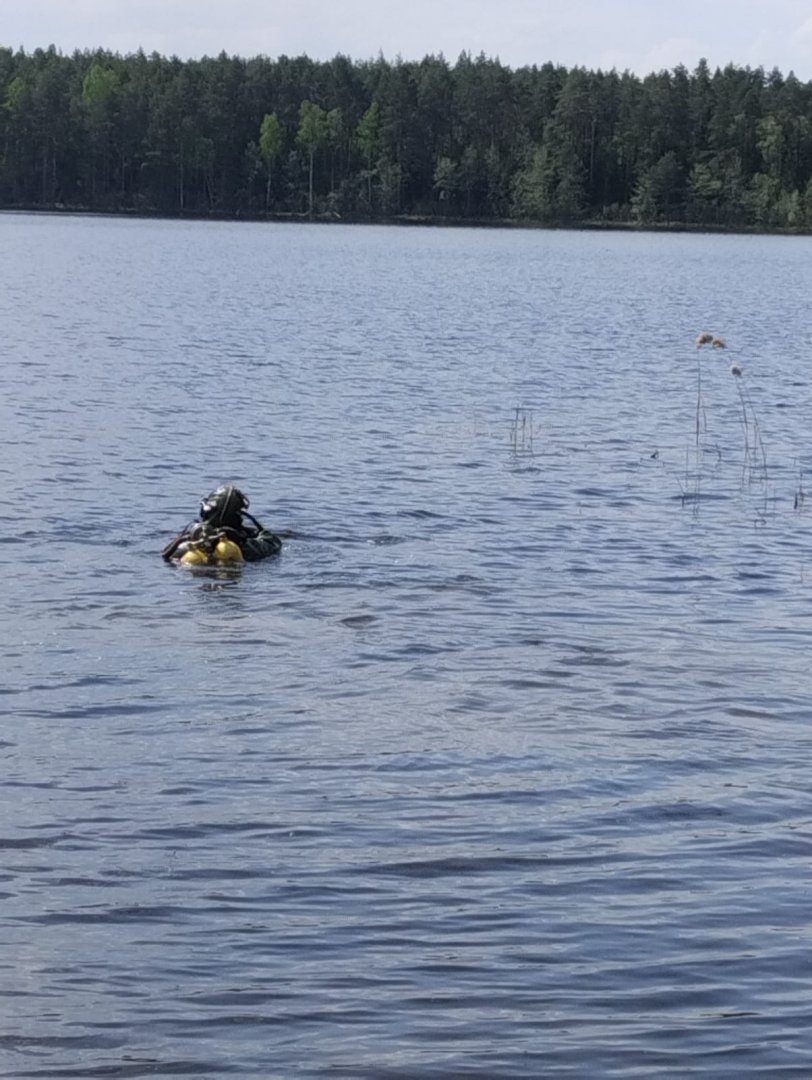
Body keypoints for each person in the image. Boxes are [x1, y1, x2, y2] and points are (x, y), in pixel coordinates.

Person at [162, 484, 282, 565]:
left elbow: (167, 556)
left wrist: (240, 541)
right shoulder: (195, 531)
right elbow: (274, 544)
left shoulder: (242, 536)